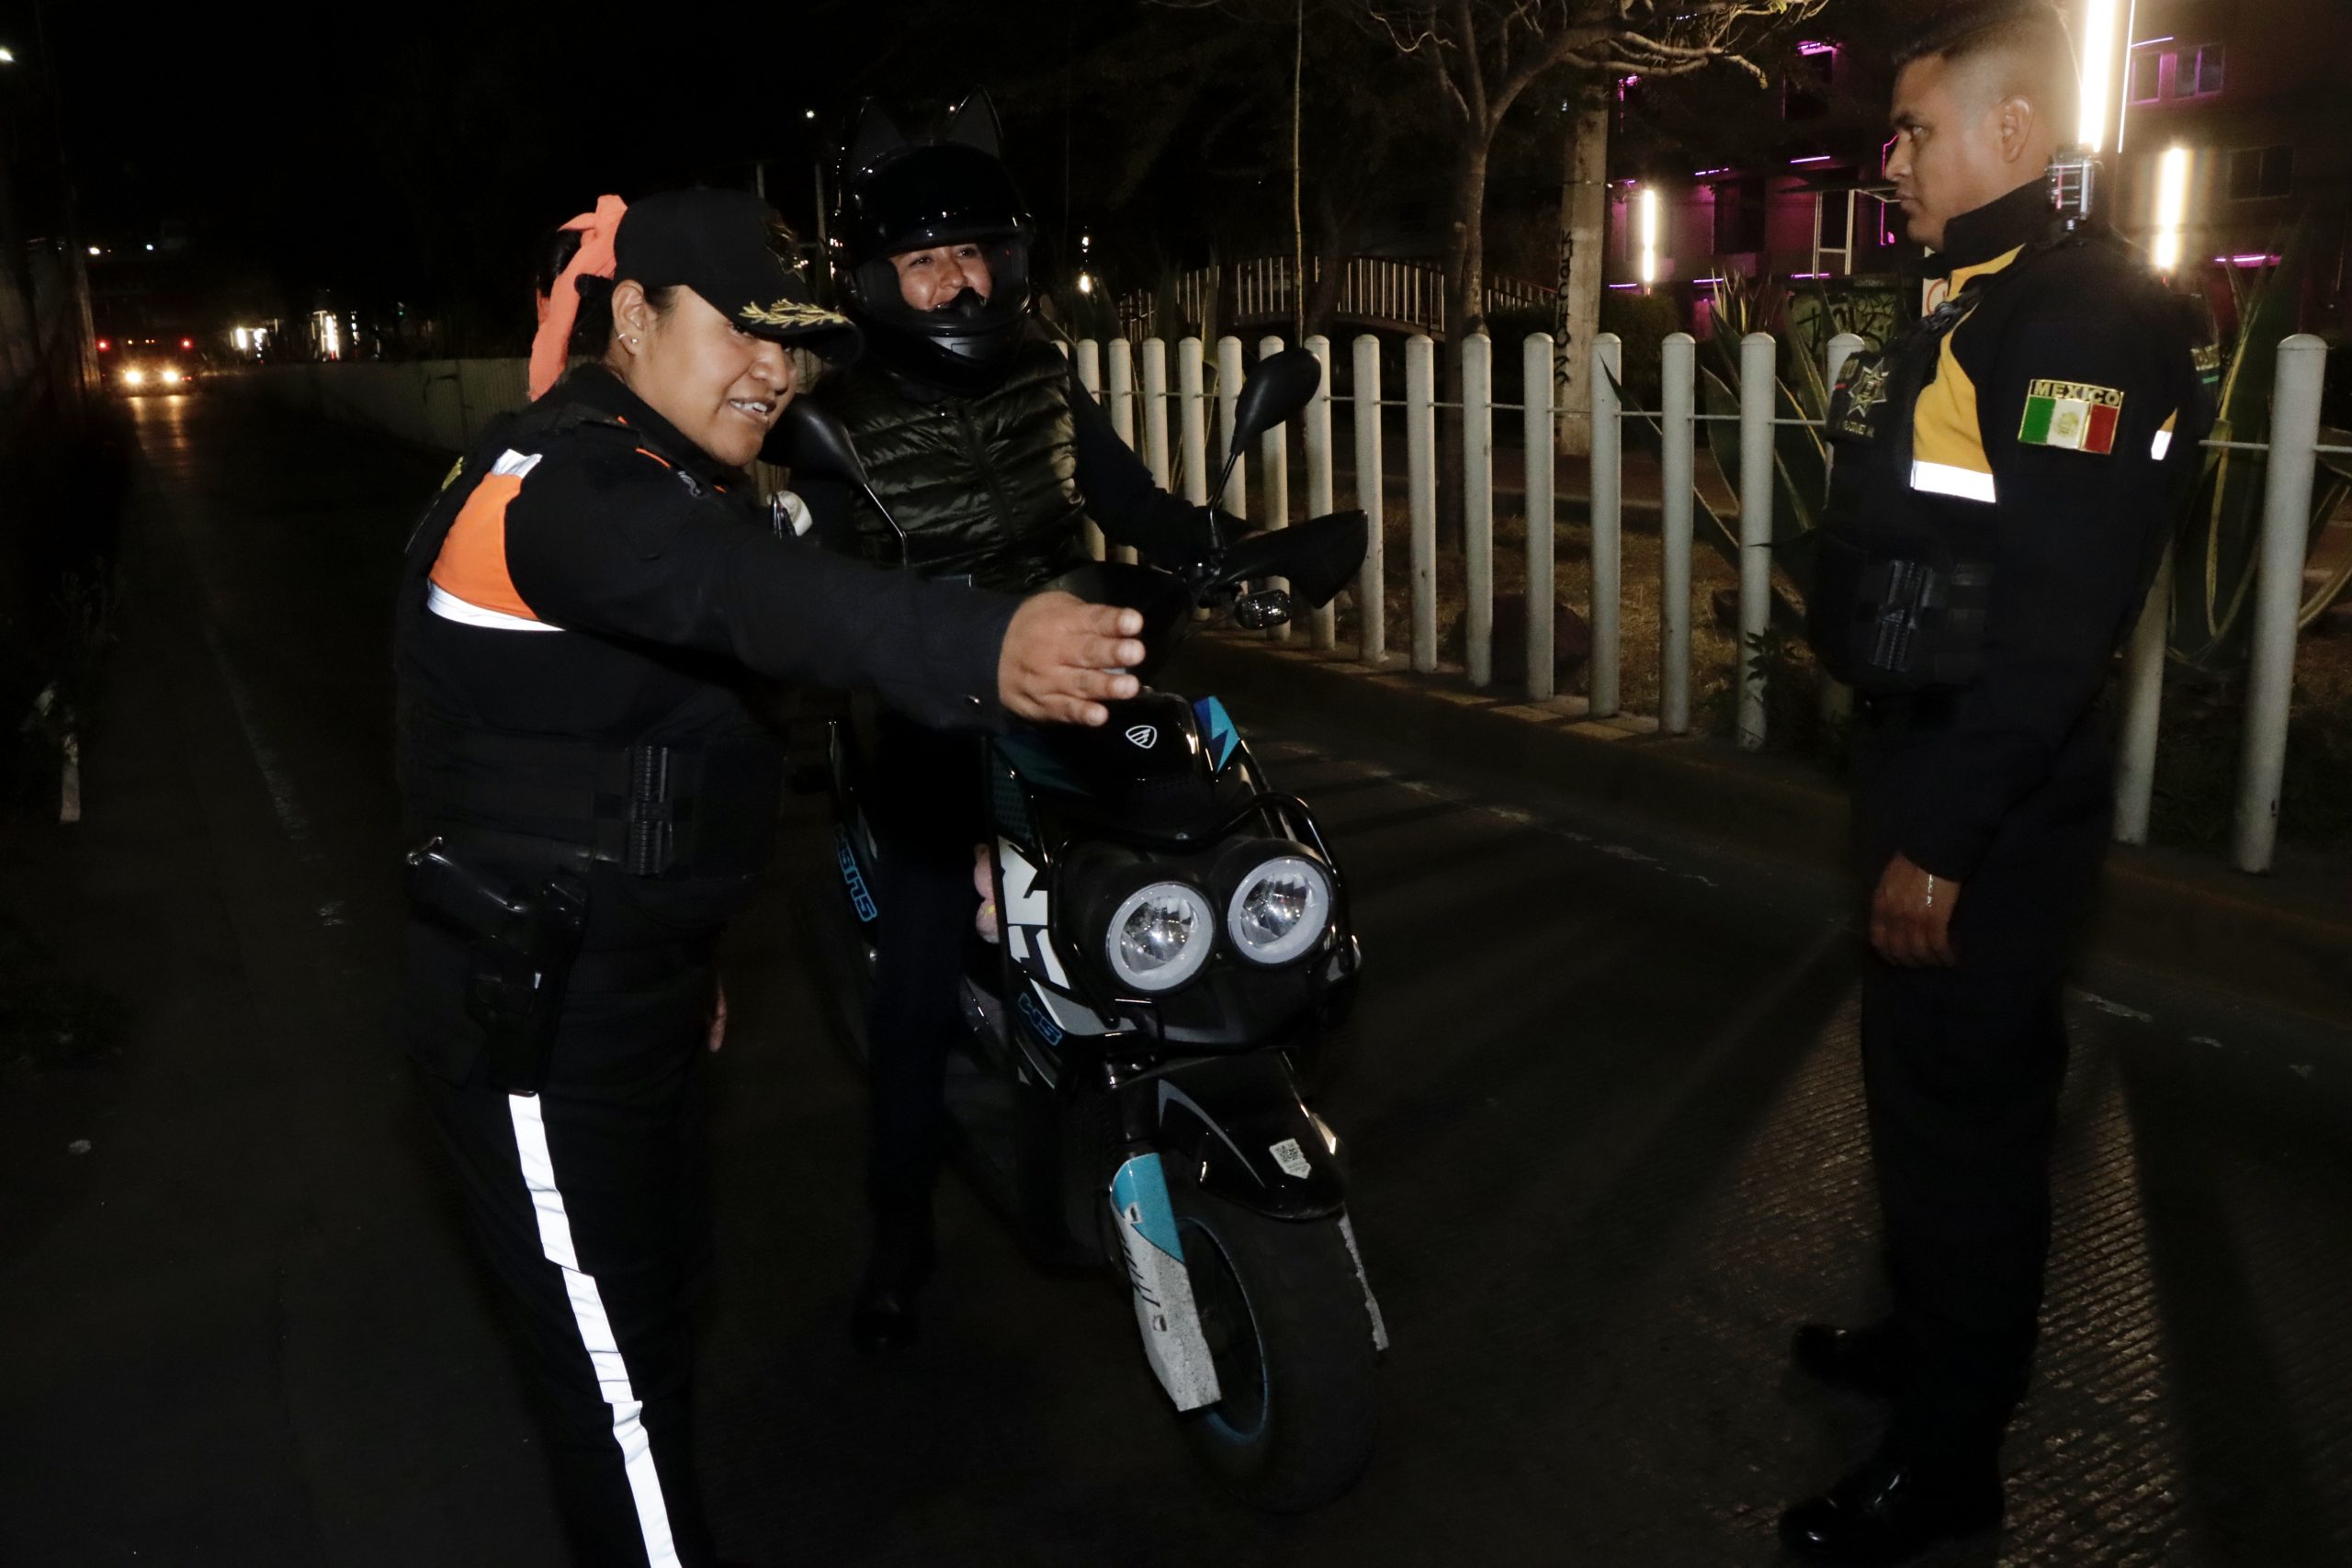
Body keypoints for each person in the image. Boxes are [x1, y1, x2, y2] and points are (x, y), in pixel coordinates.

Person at [394, 186, 1147, 1568]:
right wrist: (984, 648)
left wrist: (684, 954)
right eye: (741, 330)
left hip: (627, 976)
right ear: (634, 317)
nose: (774, 369)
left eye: (792, 342)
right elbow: (751, 598)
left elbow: (652, 728)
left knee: (660, 1307)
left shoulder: (666, 473)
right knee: (613, 1391)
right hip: (534, 1018)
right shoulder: (562, 490)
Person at [1780, 5, 2209, 1563]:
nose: (1887, 162)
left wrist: (1947, 841)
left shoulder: (2083, 319)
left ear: (2014, 132)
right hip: (1930, 753)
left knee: (1968, 1128)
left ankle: (1951, 1461)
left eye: (1914, 129)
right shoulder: (1986, 291)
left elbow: (2056, 623)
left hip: (1991, 791)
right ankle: (1926, 1342)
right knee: (1919, 1096)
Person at [796, 92, 1233, 1355]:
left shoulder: (1046, 372)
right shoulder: (840, 413)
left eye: (973, 252)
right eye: (925, 261)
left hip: (1075, 665)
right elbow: (825, 585)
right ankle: (899, 1232)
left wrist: (1222, 545)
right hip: (932, 698)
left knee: (1202, 830)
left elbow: (1127, 501)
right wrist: (906, 646)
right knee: (921, 973)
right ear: (879, 280)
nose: (958, 282)